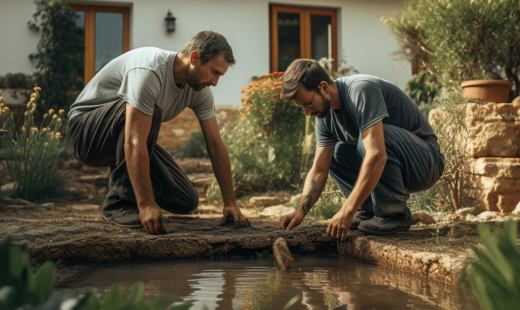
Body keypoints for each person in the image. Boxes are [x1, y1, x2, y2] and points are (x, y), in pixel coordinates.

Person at [66, 31, 250, 234]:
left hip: (125, 135)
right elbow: (134, 142)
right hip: (85, 134)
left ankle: (138, 197)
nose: (215, 82)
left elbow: (215, 145)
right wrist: (145, 204)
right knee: (150, 113)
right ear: (195, 58)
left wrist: (230, 202)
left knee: (185, 199)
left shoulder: (199, 91)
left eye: (219, 75)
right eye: (214, 72)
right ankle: (120, 204)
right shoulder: (149, 71)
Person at [279, 59, 444, 238]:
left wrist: (347, 210)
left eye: (308, 104)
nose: (307, 113)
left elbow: (377, 155)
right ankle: (369, 210)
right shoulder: (324, 116)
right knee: (337, 151)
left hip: (426, 161)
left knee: (374, 140)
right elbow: (319, 170)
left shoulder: (361, 90)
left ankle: (393, 214)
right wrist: (300, 211)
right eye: (301, 107)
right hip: (397, 161)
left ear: (324, 87)